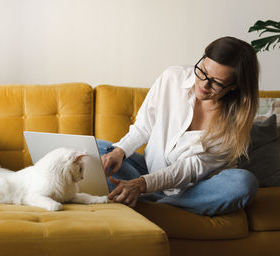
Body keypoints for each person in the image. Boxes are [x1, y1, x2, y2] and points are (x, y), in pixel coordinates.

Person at [98, 36, 260, 216]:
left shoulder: (234, 123)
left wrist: (142, 184)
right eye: (203, 71)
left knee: (243, 183)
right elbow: (144, 125)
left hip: (191, 189)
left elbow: (189, 169)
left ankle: (158, 204)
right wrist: (119, 151)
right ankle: (144, 197)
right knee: (99, 149)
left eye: (217, 83)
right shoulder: (173, 77)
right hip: (148, 171)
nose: (204, 85)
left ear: (234, 86)